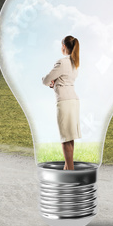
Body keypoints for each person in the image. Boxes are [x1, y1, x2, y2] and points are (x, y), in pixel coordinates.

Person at [41, 35, 81, 170]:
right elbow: (63, 79)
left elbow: (46, 80)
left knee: (65, 138)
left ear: (64, 46)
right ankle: (67, 168)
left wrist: (50, 82)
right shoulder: (74, 63)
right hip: (74, 101)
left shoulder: (62, 62)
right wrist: (55, 82)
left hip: (64, 101)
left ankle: (70, 171)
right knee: (70, 137)